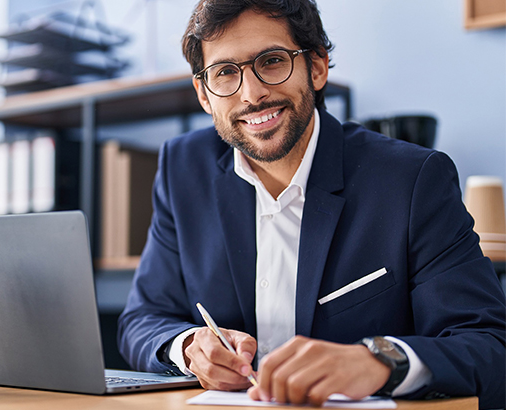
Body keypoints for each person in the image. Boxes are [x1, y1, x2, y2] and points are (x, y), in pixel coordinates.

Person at [116, 1, 506, 408]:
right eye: (225, 72)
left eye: (271, 61)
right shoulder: (183, 169)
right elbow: (143, 320)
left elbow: (489, 347)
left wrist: (378, 361)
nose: (252, 94)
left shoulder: (411, 180)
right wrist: (189, 345)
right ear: (203, 93)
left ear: (317, 67)